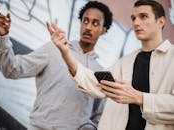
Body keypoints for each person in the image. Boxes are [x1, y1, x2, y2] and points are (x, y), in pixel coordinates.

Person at [47, 0, 174, 130]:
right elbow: (92, 82)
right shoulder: (126, 62)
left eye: (143, 17)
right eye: (133, 18)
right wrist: (66, 52)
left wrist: (139, 98)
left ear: (161, 21)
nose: (136, 23)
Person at [0, 1, 113, 130]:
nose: (88, 27)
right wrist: (3, 36)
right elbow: (12, 69)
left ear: (103, 30)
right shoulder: (54, 49)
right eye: (85, 21)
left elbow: (99, 116)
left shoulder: (100, 72)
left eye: (95, 23)